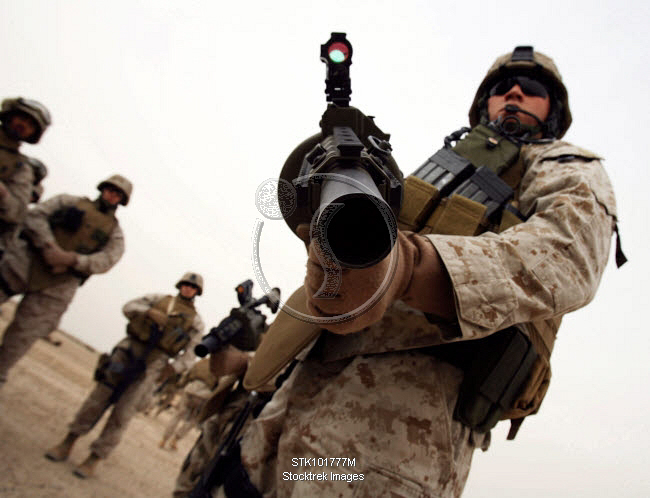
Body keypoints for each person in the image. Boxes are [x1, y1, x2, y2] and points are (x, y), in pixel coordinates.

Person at [206, 45, 626, 497]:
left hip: (398, 426)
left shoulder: (564, 166)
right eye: (502, 87)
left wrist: (409, 269)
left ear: (554, 108)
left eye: (533, 88)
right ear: (485, 100)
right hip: (304, 390)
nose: (516, 93)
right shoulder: (447, 165)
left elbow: (570, 255)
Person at [44, 272, 207, 478]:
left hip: (154, 364)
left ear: (197, 292)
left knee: (123, 413)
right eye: (185, 285)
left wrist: (173, 368)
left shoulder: (196, 322)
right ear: (179, 285)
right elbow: (129, 307)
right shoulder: (158, 299)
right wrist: (148, 312)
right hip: (129, 352)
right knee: (97, 399)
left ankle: (94, 458)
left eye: (192, 288)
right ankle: (68, 441)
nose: (188, 289)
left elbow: (193, 351)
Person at [0, 174, 132, 387]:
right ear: (102, 188)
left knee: (20, 339)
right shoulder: (68, 201)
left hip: (59, 285)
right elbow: (35, 216)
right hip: (24, 263)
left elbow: (108, 259)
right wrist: (48, 246)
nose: (112, 195)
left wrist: (72, 260)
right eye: (110, 189)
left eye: (118, 194)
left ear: (122, 201)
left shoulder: (115, 234)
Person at [0, 97, 51, 253]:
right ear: (11, 115)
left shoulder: (21, 168)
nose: (23, 125)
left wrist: (2, 194)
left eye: (30, 125)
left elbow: (16, 213)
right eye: (22, 118)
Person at [159, 357, 219, 451]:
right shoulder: (219, 366)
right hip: (204, 395)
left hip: (190, 389)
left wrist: (181, 384)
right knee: (192, 420)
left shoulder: (201, 362)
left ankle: (164, 439)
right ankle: (175, 439)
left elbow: (188, 375)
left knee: (178, 415)